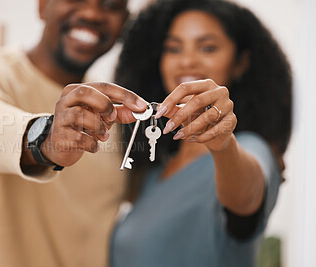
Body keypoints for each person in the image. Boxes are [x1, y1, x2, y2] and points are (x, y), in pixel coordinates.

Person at [0, 0, 148, 266]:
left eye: (111, 5)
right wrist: (45, 138)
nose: (92, 13)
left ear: (124, 22)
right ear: (43, 6)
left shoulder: (115, 115)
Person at [111, 0, 292, 266]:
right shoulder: (153, 174)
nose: (186, 61)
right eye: (173, 48)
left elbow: (247, 197)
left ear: (241, 63)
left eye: (208, 47)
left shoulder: (249, 147)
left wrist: (223, 145)